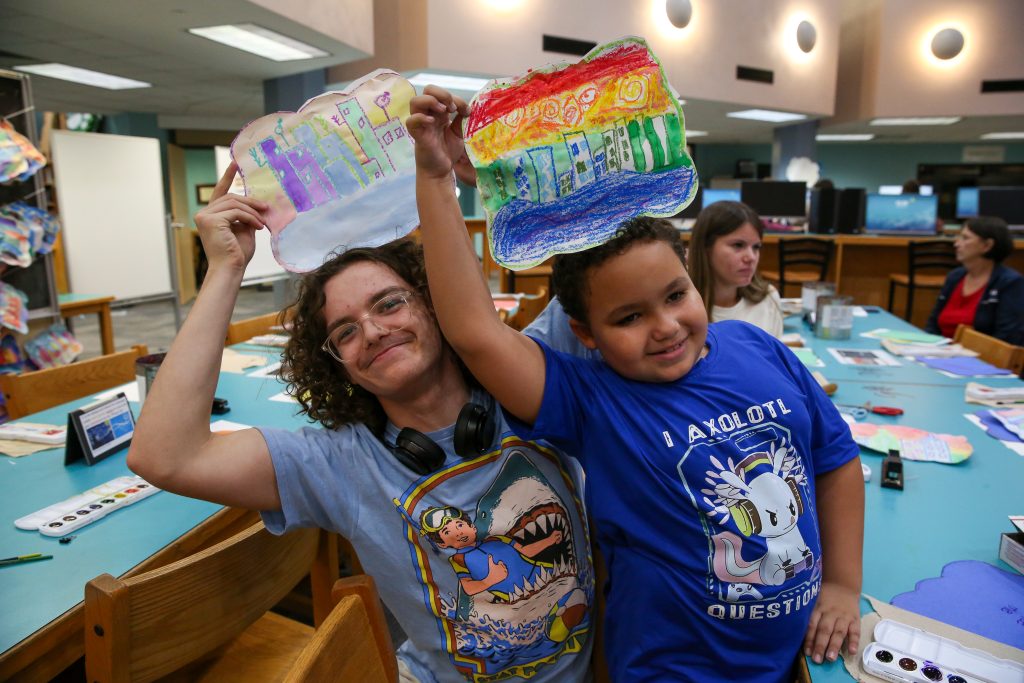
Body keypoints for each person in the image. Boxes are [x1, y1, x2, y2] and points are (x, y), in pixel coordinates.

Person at [408, 86, 864, 683]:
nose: (666, 327)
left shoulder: (761, 348)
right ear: (586, 332)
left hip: (793, 655)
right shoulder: (590, 400)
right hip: (670, 669)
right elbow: (473, 331)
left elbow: (835, 461)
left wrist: (842, 584)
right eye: (629, 317)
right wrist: (438, 179)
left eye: (676, 295)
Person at [127, 165, 596, 683]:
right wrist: (225, 269)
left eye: (390, 303)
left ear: (437, 301)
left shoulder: (535, 373)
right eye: (345, 332)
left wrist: (495, 173)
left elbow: (608, 249)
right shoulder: (343, 465)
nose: (372, 331)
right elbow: (164, 456)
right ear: (337, 365)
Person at [687, 201, 784, 337]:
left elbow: (773, 357)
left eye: (756, 247)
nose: (751, 257)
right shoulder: (682, 310)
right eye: (738, 245)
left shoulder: (768, 298)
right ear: (705, 248)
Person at [925, 216, 1024, 345]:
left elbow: (1007, 338)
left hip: (980, 359)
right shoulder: (955, 277)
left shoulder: (1010, 283)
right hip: (940, 352)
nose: (956, 244)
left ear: (987, 245)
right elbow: (933, 324)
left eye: (965, 238)